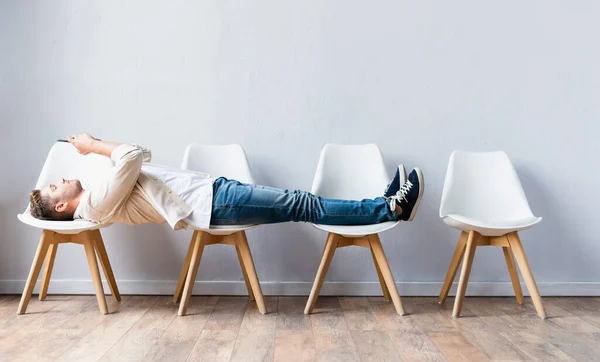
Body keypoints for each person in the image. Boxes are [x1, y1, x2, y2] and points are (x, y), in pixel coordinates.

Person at [29, 134, 424, 229]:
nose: (60, 179)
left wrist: (102, 150)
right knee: (304, 204)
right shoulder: (96, 203)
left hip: (212, 193)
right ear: (61, 206)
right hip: (214, 203)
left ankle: (379, 203)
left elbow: (139, 156)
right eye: (53, 187)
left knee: (302, 202)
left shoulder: (100, 194)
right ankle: (389, 207)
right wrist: (94, 145)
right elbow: (131, 155)